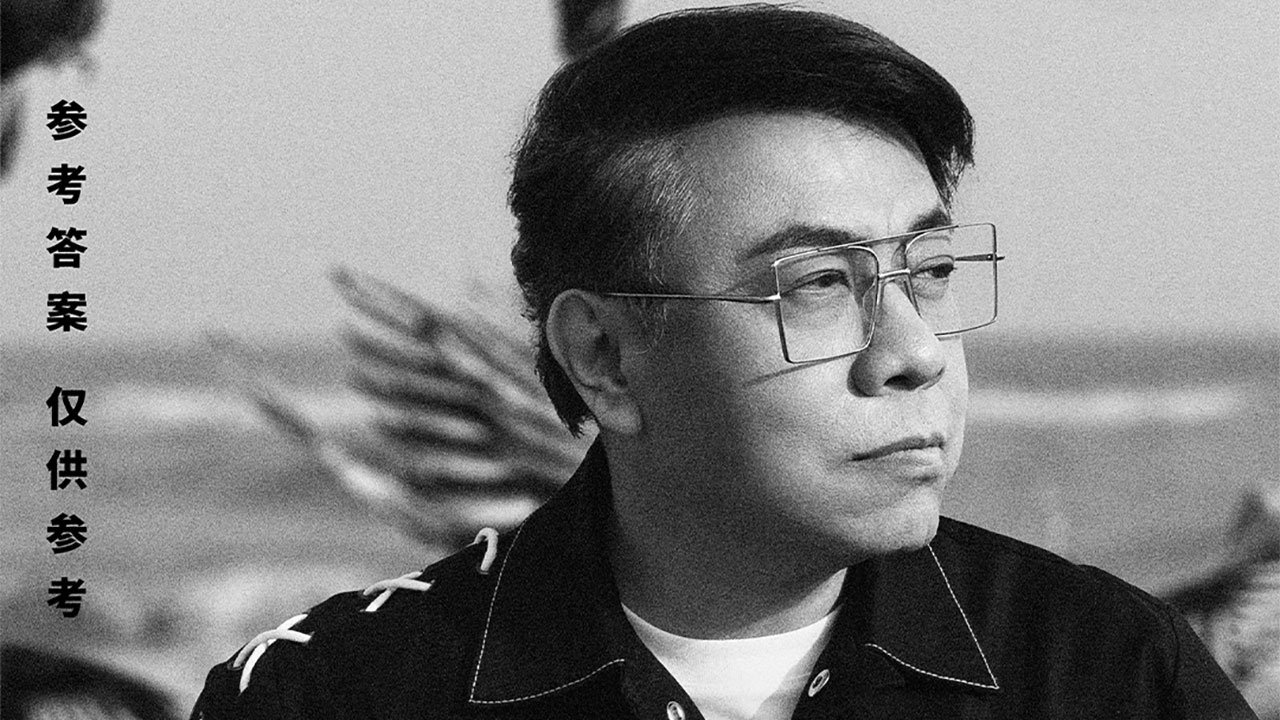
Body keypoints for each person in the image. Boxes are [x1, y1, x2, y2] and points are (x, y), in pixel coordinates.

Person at [189, 5, 1257, 719]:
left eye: (929, 271)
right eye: (817, 284)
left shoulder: (1107, 671)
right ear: (604, 358)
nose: (912, 354)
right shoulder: (332, 694)